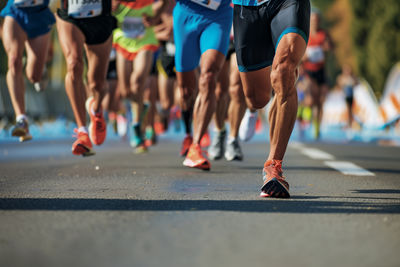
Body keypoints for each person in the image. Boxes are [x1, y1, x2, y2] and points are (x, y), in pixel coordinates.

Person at [232, 0, 310, 198]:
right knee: (257, 99)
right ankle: (252, 110)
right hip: (247, 8)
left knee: (284, 70)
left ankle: (273, 166)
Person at [173, 0, 233, 170]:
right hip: (186, 13)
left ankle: (196, 146)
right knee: (186, 90)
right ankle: (187, 133)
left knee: (208, 75)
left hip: (218, 15)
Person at [56, 0, 116, 156]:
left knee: (97, 83)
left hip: (99, 18)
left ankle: (96, 110)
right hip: (70, 16)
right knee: (74, 64)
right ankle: (82, 132)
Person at [113, 0, 168, 153]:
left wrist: (155, 17)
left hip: (145, 39)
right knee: (125, 91)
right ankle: (141, 108)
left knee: (137, 82)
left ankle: (137, 126)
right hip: (123, 40)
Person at [1, 0, 55, 142]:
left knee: (33, 75)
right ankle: (21, 119)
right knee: (13, 61)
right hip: (15, 12)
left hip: (39, 15)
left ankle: (40, 70)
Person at [303, 9, 332, 139]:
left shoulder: (323, 34)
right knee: (310, 99)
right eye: (313, 20)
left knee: (320, 101)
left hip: (321, 70)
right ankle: (304, 114)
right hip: (308, 71)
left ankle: (317, 128)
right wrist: (305, 57)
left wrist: (327, 47)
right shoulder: (306, 34)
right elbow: (300, 54)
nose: (315, 22)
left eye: (317, 20)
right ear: (309, 21)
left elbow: (330, 47)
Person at [337, 64, 357, 128]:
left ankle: (351, 122)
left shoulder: (352, 77)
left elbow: (356, 83)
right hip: (345, 96)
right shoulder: (342, 77)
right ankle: (347, 123)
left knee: (351, 110)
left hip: (351, 96)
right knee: (347, 109)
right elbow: (339, 83)